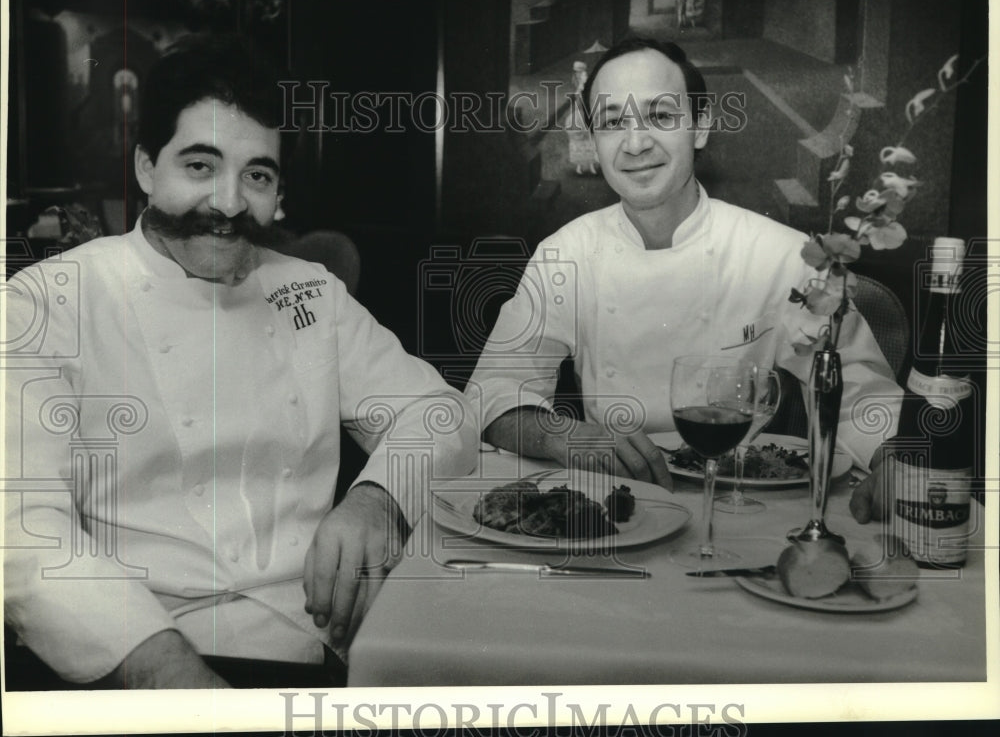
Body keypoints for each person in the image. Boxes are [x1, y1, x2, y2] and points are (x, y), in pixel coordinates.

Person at [3, 34, 477, 689]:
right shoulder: (46, 302)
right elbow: (22, 528)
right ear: (146, 168)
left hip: (326, 645)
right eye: (200, 166)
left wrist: (376, 499)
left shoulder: (308, 288)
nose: (229, 203)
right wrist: (166, 671)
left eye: (256, 175)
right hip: (139, 653)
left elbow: (439, 411)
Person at [465, 37, 902, 497]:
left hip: (743, 501)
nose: (635, 145)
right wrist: (561, 435)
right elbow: (494, 390)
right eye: (613, 122)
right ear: (593, 140)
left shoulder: (781, 255)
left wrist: (895, 458)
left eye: (660, 116)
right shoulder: (566, 255)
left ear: (700, 127)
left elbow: (862, 398)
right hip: (617, 501)